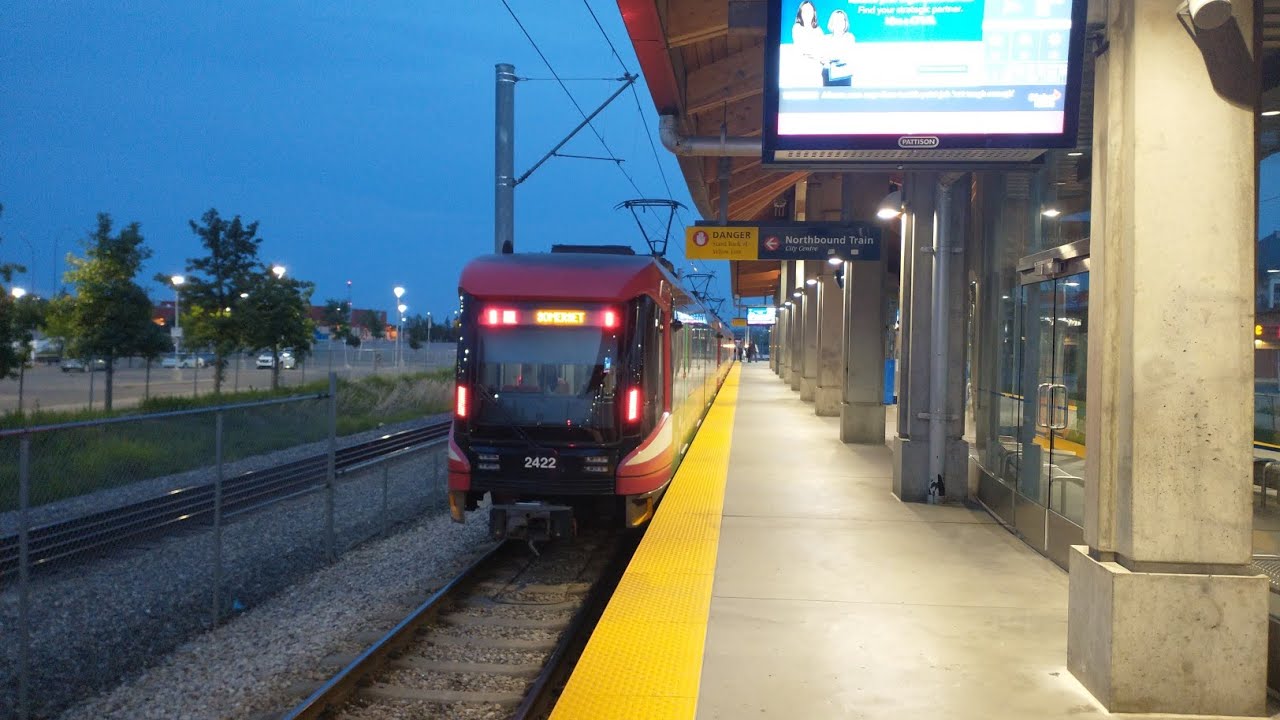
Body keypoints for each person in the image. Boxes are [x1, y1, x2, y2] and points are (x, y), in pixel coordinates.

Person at [823, 9, 855, 87]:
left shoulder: (849, 37)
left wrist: (832, 58)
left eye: (842, 20)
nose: (840, 22)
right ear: (832, 22)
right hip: (828, 74)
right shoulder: (826, 39)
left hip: (844, 75)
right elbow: (822, 58)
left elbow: (846, 57)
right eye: (837, 20)